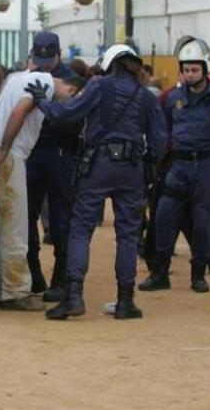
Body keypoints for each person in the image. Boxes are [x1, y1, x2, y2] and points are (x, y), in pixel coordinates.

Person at [27, 45, 167, 320]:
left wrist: (43, 100)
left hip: (99, 165)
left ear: (110, 64)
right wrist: (147, 169)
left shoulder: (99, 86)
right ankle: (126, 301)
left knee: (81, 229)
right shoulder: (146, 95)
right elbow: (160, 142)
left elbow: (64, 115)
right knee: (127, 234)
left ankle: (74, 296)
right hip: (132, 169)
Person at [139, 36, 210, 295]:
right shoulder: (172, 99)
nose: (190, 74)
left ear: (206, 69)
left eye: (195, 69)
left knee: (203, 222)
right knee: (163, 217)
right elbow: (162, 130)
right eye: (186, 69)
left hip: (206, 166)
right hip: (177, 166)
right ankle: (160, 273)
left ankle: (198, 275)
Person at [0, 31, 68, 311]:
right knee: (16, 229)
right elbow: (20, 112)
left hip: (0, 152)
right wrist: (5, 150)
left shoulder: (14, 78)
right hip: (11, 156)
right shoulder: (44, 80)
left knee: (2, 226)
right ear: (57, 57)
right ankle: (15, 292)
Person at [24, 63, 85, 301]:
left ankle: (60, 279)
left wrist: (45, 103)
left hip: (61, 155)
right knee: (27, 216)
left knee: (62, 221)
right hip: (37, 154)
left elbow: (70, 120)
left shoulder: (72, 83)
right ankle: (33, 273)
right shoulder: (34, 79)